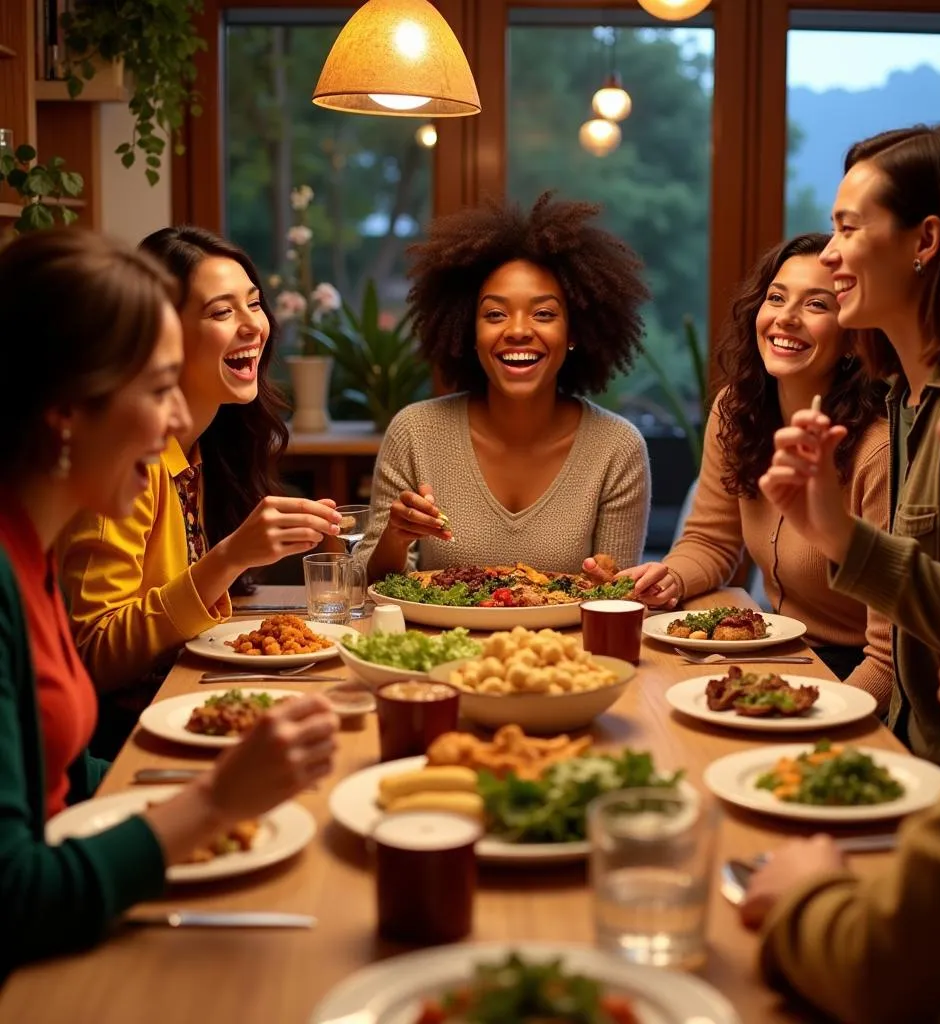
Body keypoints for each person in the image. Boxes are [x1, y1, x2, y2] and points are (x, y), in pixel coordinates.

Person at [0, 229, 337, 976]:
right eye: (158, 391)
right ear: (66, 410)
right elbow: (15, 898)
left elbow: (54, 776)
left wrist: (186, 786)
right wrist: (213, 799)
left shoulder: (28, 551)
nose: (179, 422)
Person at [740, 234, 940, 1024]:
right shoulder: (760, 410)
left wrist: (807, 890)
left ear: (929, 243)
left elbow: (879, 973)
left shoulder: (876, 436)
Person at [759, 124, 940, 765]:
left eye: (849, 229)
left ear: (925, 241)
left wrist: (841, 539)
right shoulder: (902, 402)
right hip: (902, 756)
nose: (828, 255)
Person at [58, 226, 344, 757]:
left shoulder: (204, 448)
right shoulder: (125, 467)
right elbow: (92, 654)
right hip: (125, 744)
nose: (252, 327)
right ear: (162, 335)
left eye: (254, 305)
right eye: (220, 312)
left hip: (183, 705)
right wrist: (230, 556)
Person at [588, 234, 892, 699]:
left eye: (816, 304)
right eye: (776, 297)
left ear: (852, 337)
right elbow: (711, 540)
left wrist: (826, 721)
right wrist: (668, 577)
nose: (786, 317)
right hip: (782, 652)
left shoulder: (877, 451)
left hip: (853, 677)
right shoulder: (738, 410)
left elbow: (889, 661)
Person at [361, 192, 652, 581]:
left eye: (544, 314)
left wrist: (610, 586)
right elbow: (369, 585)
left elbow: (616, 599)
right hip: (441, 642)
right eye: (495, 314)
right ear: (469, 331)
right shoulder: (415, 433)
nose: (517, 331)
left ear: (574, 331)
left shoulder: (616, 448)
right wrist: (395, 539)